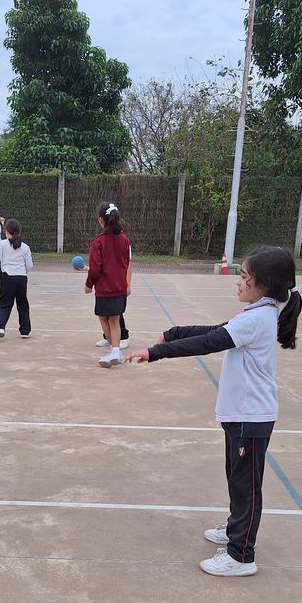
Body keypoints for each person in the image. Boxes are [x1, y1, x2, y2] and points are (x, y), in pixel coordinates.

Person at [125, 246, 301, 576]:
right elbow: (215, 331)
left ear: (263, 285)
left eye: (244, 277)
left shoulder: (257, 318)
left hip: (251, 417)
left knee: (246, 487)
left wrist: (155, 352)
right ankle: (236, 529)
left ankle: (241, 555)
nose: (238, 281)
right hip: (241, 415)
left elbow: (209, 343)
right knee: (237, 479)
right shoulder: (255, 313)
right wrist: (174, 333)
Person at [85, 202, 132, 367]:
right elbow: (126, 262)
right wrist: (126, 284)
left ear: (101, 220)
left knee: (103, 318)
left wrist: (89, 284)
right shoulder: (124, 239)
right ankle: (115, 351)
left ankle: (113, 349)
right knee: (115, 320)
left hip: (104, 289)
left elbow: (95, 268)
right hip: (119, 288)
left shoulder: (98, 242)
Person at [0, 219, 33, 340]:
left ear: (6, 232)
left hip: (8, 278)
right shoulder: (25, 247)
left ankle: (0, 328)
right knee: (23, 304)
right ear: (19, 232)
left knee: (4, 304)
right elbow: (29, 265)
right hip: (22, 279)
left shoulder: (2, 244)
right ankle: (25, 331)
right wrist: (22, 273)